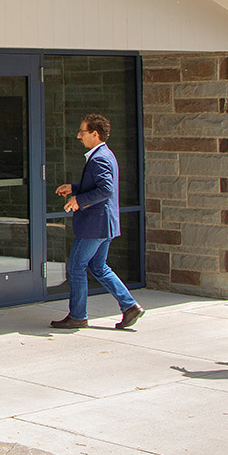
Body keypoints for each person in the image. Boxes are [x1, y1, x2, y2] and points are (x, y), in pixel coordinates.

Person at [50, 113, 143, 330]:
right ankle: (129, 306)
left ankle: (78, 316)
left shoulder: (100, 157)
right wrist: (74, 187)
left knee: (75, 267)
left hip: (95, 225)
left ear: (95, 133)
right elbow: (98, 185)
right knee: (98, 266)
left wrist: (78, 200)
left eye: (82, 132)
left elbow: (106, 189)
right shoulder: (104, 154)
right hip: (104, 224)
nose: (78, 136)